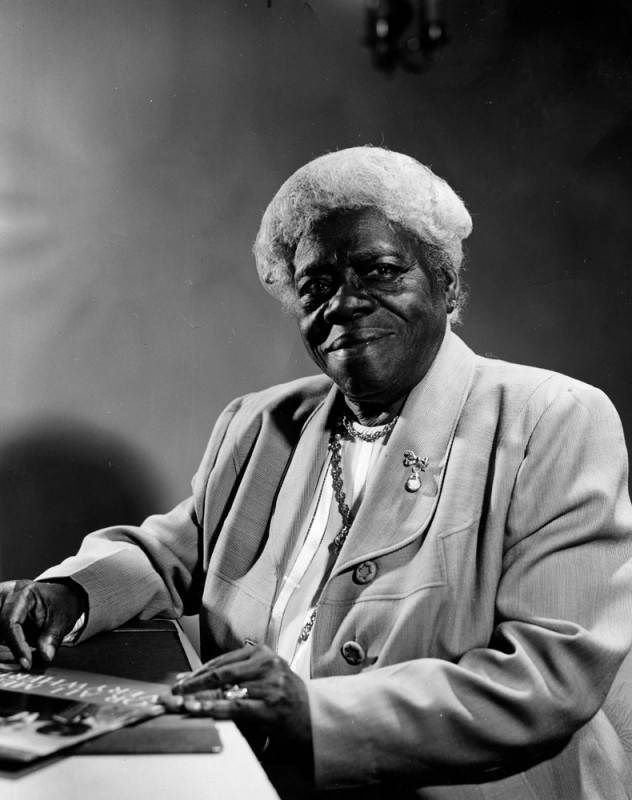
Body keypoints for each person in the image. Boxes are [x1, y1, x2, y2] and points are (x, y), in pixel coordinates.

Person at [1, 147, 631, 799]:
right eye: (317, 287)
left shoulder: (550, 420)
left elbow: (551, 676)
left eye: (379, 271)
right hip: (262, 779)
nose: (345, 304)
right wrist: (68, 596)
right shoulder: (262, 422)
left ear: (446, 284)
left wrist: (315, 715)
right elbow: (167, 557)